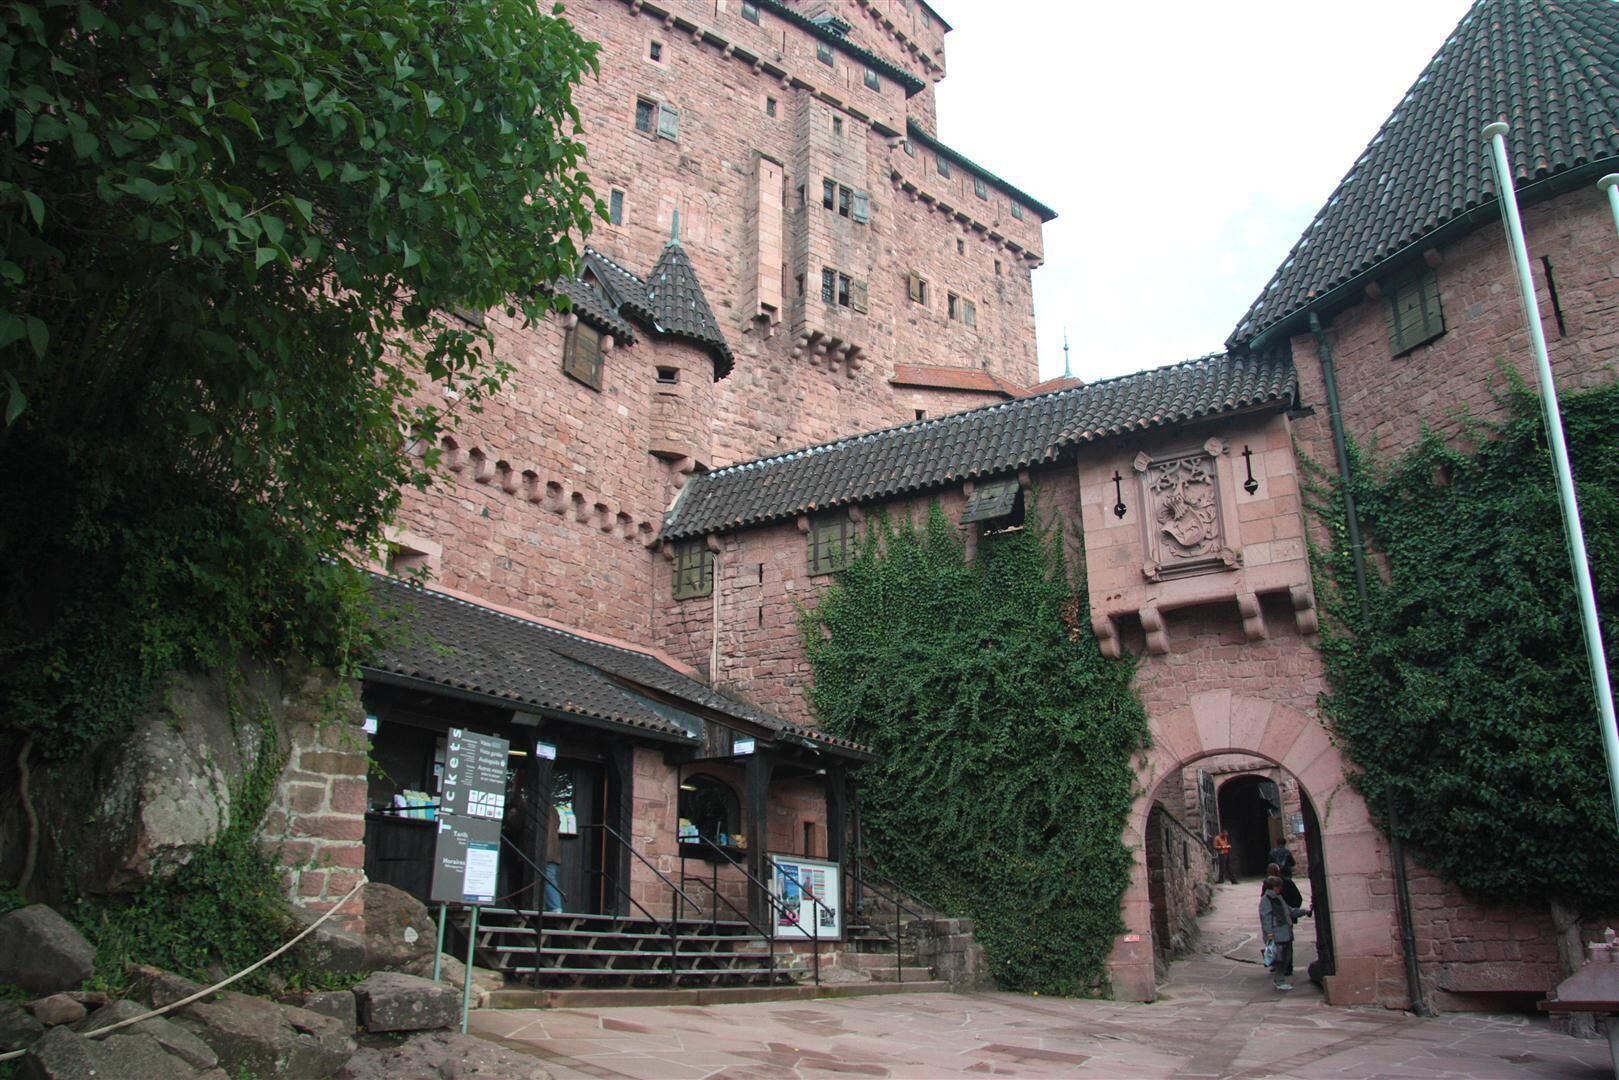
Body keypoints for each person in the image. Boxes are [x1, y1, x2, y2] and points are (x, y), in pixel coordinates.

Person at [1259, 875, 1309, 991]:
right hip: (1277, 933)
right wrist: (1269, 933)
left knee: (1286, 957)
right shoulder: (1266, 900)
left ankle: (1280, 979)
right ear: (1275, 887)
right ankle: (1279, 980)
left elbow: (1288, 910)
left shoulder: (1278, 898)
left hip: (1284, 932)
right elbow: (1265, 917)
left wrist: (1302, 912)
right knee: (1280, 958)